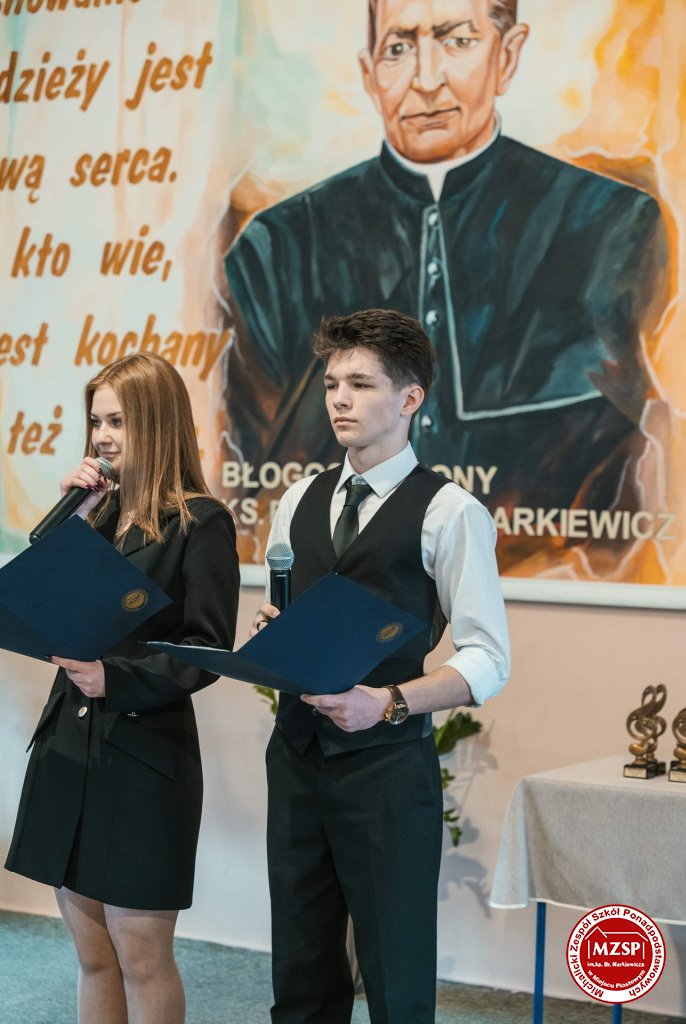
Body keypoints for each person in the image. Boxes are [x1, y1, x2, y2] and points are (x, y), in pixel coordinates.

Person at [223, 0, 668, 570]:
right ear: (369, 73)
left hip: (550, 567)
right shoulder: (277, 245)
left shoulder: (609, 222)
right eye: (398, 48)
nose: (427, 80)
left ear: (507, 56)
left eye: (457, 41)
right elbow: (254, 460)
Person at [253, 308, 510, 1024]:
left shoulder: (450, 513)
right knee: (300, 971)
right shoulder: (297, 500)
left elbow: (488, 659)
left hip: (387, 769)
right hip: (297, 758)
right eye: (332, 383)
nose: (339, 399)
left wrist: (388, 701)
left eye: (361, 384)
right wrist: (276, 639)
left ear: (409, 398)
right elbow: (289, 620)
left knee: (396, 975)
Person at [5, 352, 240, 1024]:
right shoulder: (94, 513)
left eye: (118, 421)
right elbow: (42, 600)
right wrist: (73, 518)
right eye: (96, 421)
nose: (103, 436)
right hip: (68, 747)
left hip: (143, 757)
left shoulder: (201, 521)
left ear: (157, 422)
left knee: (141, 957)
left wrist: (118, 677)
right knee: (92, 955)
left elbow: (206, 651)